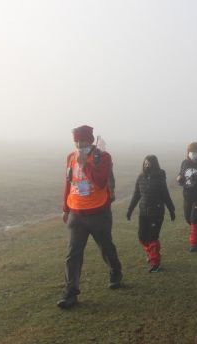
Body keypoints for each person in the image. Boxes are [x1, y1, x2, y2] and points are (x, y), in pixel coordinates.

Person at [58, 125, 123, 309]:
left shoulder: (102, 157)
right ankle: (70, 293)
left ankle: (115, 271)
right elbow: (68, 183)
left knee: (106, 247)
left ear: (90, 140)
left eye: (83, 141)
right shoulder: (71, 158)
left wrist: (85, 164)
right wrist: (65, 208)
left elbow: (101, 181)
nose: (80, 145)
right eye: (76, 141)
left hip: (98, 213)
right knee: (73, 255)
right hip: (76, 214)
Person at [126, 155, 175, 273]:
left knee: (152, 237)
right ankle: (151, 254)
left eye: (149, 163)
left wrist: (171, 210)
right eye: (145, 163)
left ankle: (155, 263)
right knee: (142, 236)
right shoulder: (140, 177)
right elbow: (136, 195)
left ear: (155, 164)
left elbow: (165, 195)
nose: (147, 165)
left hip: (156, 213)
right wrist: (130, 210)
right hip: (143, 212)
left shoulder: (160, 178)